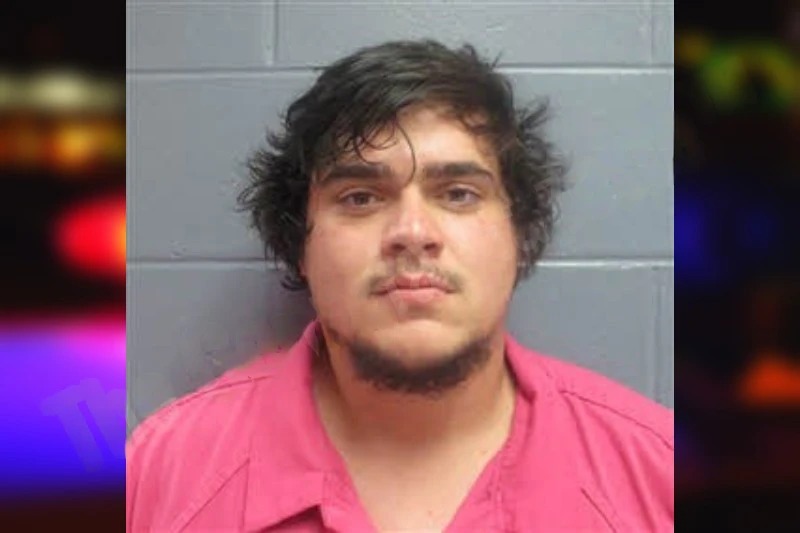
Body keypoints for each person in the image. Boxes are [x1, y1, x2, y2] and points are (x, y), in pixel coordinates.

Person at [126, 39, 673, 532]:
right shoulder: (160, 475)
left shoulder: (656, 474)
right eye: (360, 197)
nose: (412, 233)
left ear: (519, 234)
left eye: (458, 194)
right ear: (300, 245)